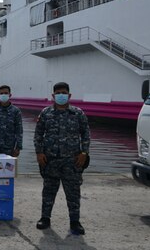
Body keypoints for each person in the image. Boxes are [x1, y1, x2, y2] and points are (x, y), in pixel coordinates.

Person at [34, 82, 90, 235]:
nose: (61, 95)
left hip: (72, 161)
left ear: (69, 95)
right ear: (53, 95)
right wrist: (39, 153)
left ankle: (75, 221)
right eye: (58, 93)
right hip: (50, 160)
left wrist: (84, 153)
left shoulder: (78, 113)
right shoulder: (46, 113)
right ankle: (45, 218)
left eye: (64, 93)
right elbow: (38, 134)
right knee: (48, 191)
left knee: (73, 192)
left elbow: (86, 134)